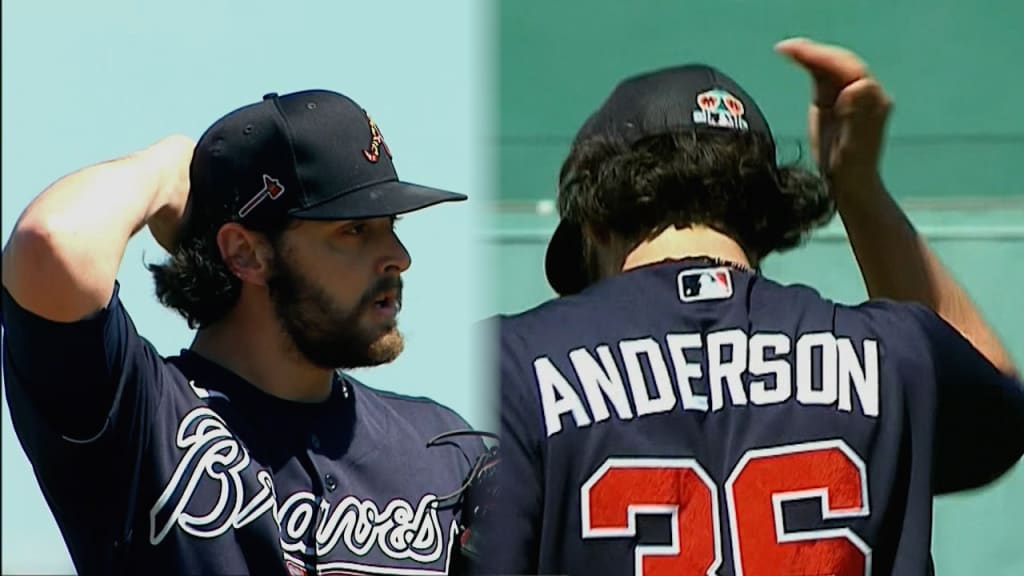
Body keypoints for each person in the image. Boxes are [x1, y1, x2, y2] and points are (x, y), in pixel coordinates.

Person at [478, 38, 1024, 575]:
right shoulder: (896, 353)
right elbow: (997, 404)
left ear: (594, 222)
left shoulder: (504, 367)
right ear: (765, 219)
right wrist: (856, 187)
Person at [2, 90, 486, 576]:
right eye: (355, 230)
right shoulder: (142, 418)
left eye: (391, 224)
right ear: (245, 253)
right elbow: (51, 244)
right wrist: (168, 166)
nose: (398, 257)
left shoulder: (445, 450)